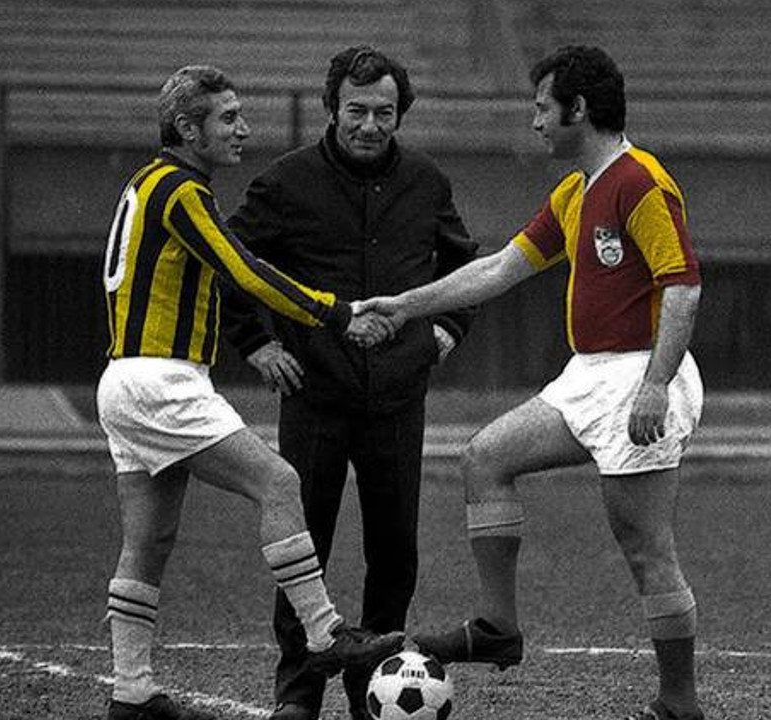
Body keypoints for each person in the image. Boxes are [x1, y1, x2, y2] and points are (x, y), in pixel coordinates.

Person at [359, 46, 707, 720]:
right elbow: (500, 269)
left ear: (579, 109)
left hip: (640, 373)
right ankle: (498, 628)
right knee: (485, 457)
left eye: (544, 108)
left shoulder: (640, 182)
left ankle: (678, 704)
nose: (536, 121)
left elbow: (684, 289)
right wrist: (404, 305)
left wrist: (656, 385)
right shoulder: (576, 192)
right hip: (590, 375)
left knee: (645, 550)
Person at [95, 65, 404, 720]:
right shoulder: (181, 188)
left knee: (148, 541)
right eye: (229, 118)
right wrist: (336, 312)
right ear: (188, 128)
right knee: (280, 482)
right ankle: (324, 632)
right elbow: (244, 269)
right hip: (160, 379)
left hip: (125, 378)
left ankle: (131, 690)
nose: (243, 129)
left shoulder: (146, 181)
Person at [220, 45, 479, 720]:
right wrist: (255, 343)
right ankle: (298, 690)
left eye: (384, 113)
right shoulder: (285, 182)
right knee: (304, 544)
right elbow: (227, 262)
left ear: (401, 114)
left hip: (398, 396)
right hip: (316, 394)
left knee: (395, 551)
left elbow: (464, 265)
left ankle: (376, 687)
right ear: (331, 108)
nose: (369, 125)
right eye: (356, 111)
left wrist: (447, 328)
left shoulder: (426, 181)